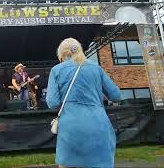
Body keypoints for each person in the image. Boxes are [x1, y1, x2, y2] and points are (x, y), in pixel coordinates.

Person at [46, 38, 121, 168]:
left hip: (70, 127)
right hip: (98, 124)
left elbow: (52, 102)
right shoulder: (96, 68)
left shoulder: (56, 70)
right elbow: (116, 96)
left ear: (62, 54)